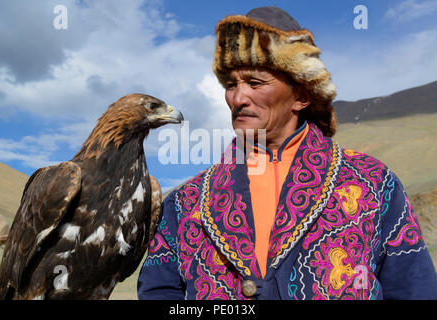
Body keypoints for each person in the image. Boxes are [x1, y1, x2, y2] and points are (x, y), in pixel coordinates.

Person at [137, 6, 437, 300]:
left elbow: (414, 288)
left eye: (255, 83)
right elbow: (158, 291)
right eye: (231, 85)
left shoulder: (373, 183)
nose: (238, 97)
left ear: (302, 96)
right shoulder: (184, 203)